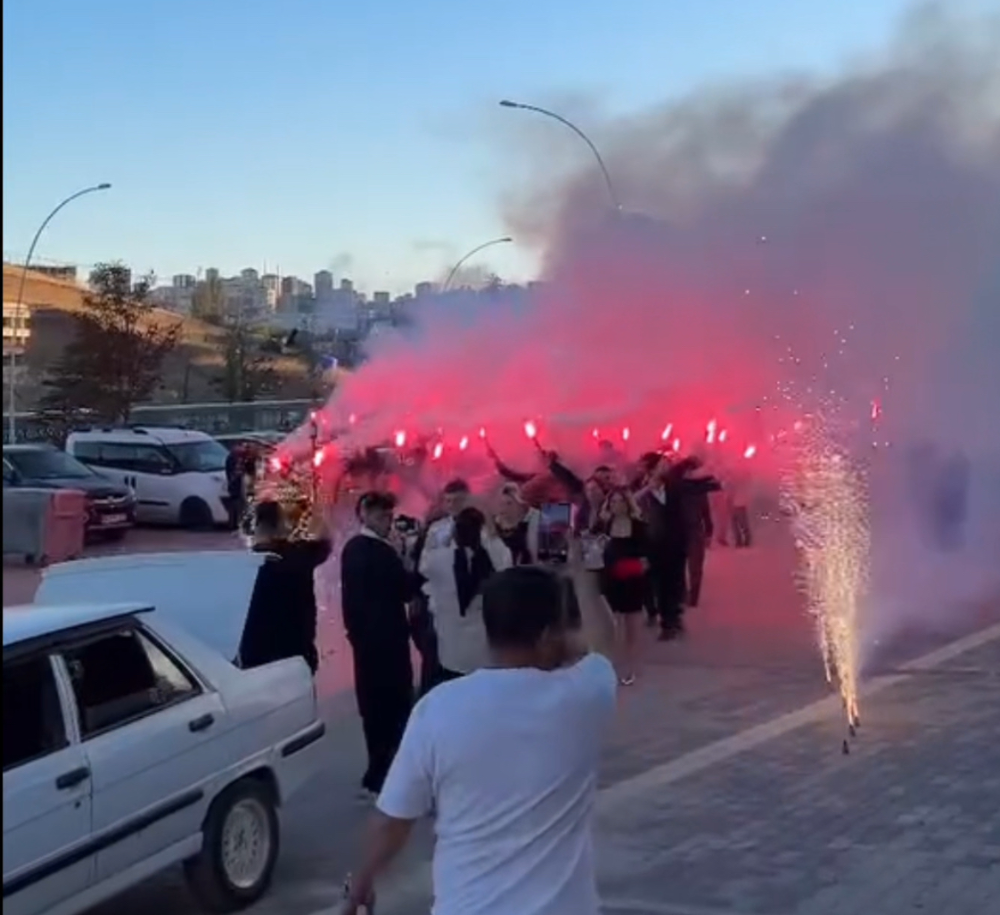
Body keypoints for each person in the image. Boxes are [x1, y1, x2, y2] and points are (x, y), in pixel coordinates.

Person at [341, 539, 618, 915]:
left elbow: (392, 821)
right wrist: (581, 575)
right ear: (549, 635)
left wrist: (360, 885)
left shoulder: (438, 708)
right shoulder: (581, 697)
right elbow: (604, 645)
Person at [341, 491, 419, 798]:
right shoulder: (381, 552)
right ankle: (390, 777)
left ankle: (376, 775)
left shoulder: (352, 549)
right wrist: (405, 556)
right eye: (382, 516)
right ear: (366, 515)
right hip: (388, 643)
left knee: (373, 712)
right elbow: (406, 589)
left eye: (388, 515)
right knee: (395, 709)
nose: (387, 521)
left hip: (365, 645)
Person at [419, 506, 512, 683]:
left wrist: (441, 542)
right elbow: (506, 561)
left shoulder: (438, 560)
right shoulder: (493, 557)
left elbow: (423, 565)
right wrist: (492, 535)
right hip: (485, 650)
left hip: (451, 651)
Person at [238, 499, 332, 674]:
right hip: (296, 656)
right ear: (281, 524)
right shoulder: (298, 554)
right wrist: (315, 511)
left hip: (256, 660)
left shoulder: (245, 565)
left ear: (256, 526)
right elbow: (325, 539)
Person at [412, 479, 472, 694]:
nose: (452, 505)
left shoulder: (481, 527)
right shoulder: (437, 529)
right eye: (448, 501)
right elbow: (424, 566)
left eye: (458, 500)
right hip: (439, 607)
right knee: (435, 665)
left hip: (471, 610)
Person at [598, 488, 649, 685]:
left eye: (620, 501)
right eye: (613, 502)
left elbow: (646, 559)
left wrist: (631, 568)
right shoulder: (606, 524)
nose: (616, 505)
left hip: (632, 580)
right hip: (611, 580)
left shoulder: (638, 526)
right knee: (613, 626)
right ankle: (614, 666)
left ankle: (631, 668)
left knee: (632, 628)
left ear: (627, 503)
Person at [493, 482, 539, 565]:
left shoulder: (535, 519)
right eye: (502, 504)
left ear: (519, 503)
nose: (505, 508)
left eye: (509, 503)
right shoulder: (495, 524)